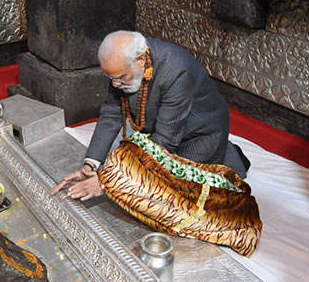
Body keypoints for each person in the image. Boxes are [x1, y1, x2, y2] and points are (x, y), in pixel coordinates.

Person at [51, 30, 250, 200]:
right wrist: (91, 164)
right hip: (164, 128)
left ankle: (225, 153)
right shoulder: (122, 64)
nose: (115, 84)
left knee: (165, 193)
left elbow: (165, 141)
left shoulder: (176, 71)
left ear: (140, 61)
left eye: (120, 78)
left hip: (199, 133)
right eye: (111, 78)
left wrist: (108, 181)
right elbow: (111, 114)